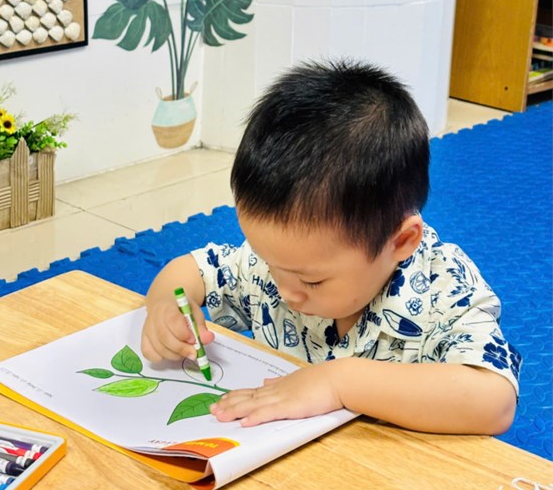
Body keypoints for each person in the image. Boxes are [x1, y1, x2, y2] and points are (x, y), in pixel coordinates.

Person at [141, 59, 520, 434]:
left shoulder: (444, 287)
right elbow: (190, 271)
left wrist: (339, 382)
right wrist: (166, 308)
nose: (285, 292)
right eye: (269, 263)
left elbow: (495, 401)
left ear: (401, 241)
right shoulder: (281, 266)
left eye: (313, 281)